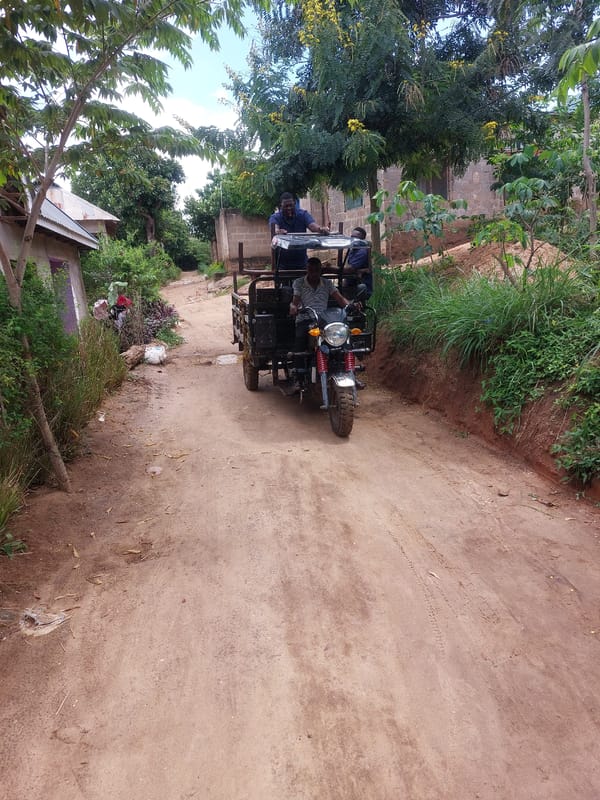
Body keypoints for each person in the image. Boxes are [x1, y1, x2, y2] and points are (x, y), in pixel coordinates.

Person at [288, 257, 352, 389]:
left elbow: (339, 298)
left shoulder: (327, 283)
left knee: (345, 339)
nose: (314, 273)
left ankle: (350, 373)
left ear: (320, 271)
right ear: (307, 270)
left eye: (317, 270)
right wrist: (294, 307)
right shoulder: (299, 283)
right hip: (305, 319)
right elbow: (295, 301)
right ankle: (297, 376)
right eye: (311, 270)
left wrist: (350, 305)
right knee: (300, 340)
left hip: (323, 320)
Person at [269, 192, 330, 269]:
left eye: (291, 205)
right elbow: (274, 228)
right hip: (282, 266)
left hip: (302, 263)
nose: (289, 208)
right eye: (286, 206)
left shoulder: (303, 214)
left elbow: (312, 225)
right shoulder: (275, 217)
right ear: (281, 206)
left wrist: (320, 229)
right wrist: (277, 231)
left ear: (294, 203)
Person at [344, 226, 372, 299]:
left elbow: (349, 269)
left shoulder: (362, 252)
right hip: (351, 284)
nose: (353, 239)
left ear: (362, 240)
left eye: (355, 238)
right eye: (352, 237)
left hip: (361, 286)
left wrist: (331, 269)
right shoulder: (352, 250)